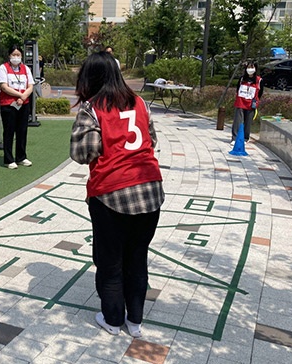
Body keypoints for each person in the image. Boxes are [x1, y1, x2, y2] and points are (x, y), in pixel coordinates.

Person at [70, 51, 164, 338]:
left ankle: (112, 319)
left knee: (110, 261)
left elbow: (81, 152)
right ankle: (134, 321)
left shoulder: (93, 108)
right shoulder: (139, 102)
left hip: (111, 195)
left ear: (92, 77)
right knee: (137, 257)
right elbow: (153, 139)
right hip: (150, 190)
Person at [0, 45, 35, 169]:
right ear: (9, 56)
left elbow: (31, 86)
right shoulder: (3, 68)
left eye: (18, 55)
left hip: (23, 104)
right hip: (8, 105)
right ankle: (9, 159)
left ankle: (21, 157)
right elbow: (4, 87)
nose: (16, 57)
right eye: (14, 55)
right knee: (9, 131)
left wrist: (23, 97)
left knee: (22, 131)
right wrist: (20, 95)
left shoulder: (25, 68)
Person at [231, 61, 263, 145]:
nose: (250, 69)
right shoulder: (242, 79)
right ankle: (234, 138)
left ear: (255, 69)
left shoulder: (259, 80)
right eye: (248, 67)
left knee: (248, 122)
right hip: (240, 102)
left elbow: (260, 93)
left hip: (251, 103)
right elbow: (237, 89)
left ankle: (245, 138)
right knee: (237, 121)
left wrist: (255, 100)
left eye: (252, 67)